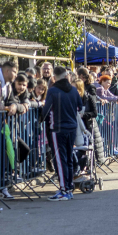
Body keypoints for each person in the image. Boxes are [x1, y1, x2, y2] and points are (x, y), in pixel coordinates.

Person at [41, 66, 83, 201]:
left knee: (60, 160)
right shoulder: (74, 90)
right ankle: (68, 188)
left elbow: (46, 110)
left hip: (57, 128)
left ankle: (64, 190)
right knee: (68, 159)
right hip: (71, 127)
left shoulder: (52, 90)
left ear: (54, 77)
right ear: (66, 76)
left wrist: (40, 118)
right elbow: (80, 107)